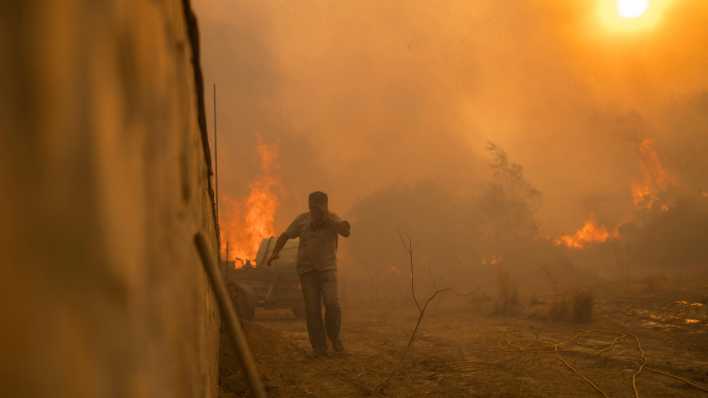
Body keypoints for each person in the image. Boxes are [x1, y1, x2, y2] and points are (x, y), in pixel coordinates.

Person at [267, 191, 351, 357]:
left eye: (319, 206)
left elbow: (346, 231)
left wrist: (330, 221)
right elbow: (285, 235)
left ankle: (334, 339)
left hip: (327, 269)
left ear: (325, 206)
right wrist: (275, 252)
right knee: (312, 310)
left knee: (332, 304)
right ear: (309, 206)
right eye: (312, 206)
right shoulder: (302, 220)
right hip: (307, 272)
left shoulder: (333, 219)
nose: (315, 210)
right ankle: (318, 347)